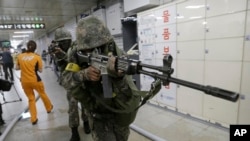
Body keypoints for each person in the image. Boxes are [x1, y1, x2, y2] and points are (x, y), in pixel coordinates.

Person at [59, 16, 161, 141]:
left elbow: (127, 92)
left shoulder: (116, 53)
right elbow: (65, 81)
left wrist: (118, 78)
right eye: (89, 49)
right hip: (97, 113)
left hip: (118, 111)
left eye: (100, 46)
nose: (96, 51)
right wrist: (84, 74)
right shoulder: (76, 53)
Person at [53, 27, 90, 141]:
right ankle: (74, 130)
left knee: (86, 104)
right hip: (71, 82)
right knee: (73, 106)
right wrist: (59, 56)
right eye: (61, 42)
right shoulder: (57, 52)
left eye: (66, 41)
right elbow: (62, 69)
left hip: (82, 79)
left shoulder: (76, 48)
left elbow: (74, 60)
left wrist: (63, 54)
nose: (64, 44)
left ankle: (86, 122)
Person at [15, 40, 53, 125]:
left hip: (24, 81)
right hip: (35, 80)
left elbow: (16, 68)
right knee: (42, 93)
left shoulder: (20, 56)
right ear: (35, 48)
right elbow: (40, 70)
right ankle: (49, 108)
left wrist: (24, 66)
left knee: (31, 99)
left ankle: (33, 119)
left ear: (27, 47)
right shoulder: (37, 57)